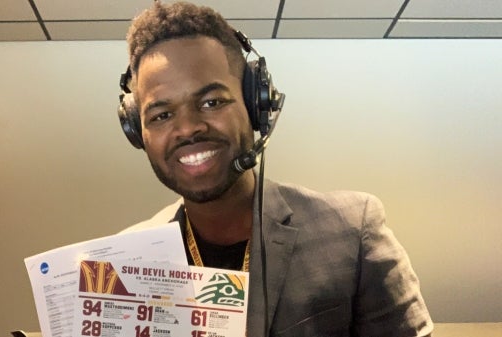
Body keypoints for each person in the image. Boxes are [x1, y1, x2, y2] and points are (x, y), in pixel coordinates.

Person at [117, 1, 433, 336]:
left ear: (257, 105)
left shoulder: (353, 229)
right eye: (161, 115)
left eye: (211, 102)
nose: (187, 128)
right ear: (138, 133)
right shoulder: (124, 261)